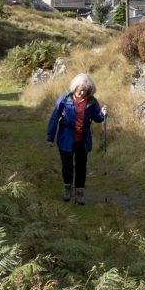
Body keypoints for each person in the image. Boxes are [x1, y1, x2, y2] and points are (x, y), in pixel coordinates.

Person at [45, 73, 106, 204]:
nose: (81, 92)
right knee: (67, 166)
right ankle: (67, 189)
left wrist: (103, 114)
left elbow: (97, 118)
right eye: (79, 89)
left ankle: (80, 194)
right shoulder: (64, 99)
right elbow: (54, 117)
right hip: (65, 137)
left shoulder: (92, 101)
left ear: (89, 91)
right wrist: (50, 137)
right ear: (74, 88)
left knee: (81, 166)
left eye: (84, 90)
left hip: (82, 139)